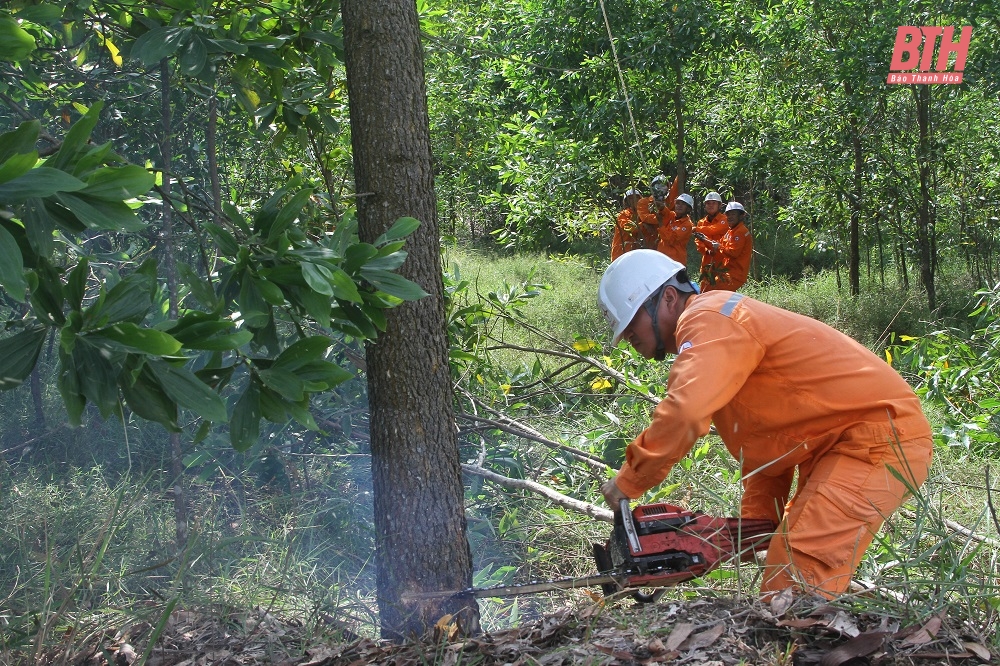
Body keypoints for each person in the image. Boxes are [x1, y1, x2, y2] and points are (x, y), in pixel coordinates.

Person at [596, 249, 933, 599]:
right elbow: (768, 448)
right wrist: (754, 525)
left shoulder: (709, 319)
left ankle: (799, 646)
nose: (629, 340)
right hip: (845, 444)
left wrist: (629, 481)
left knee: (796, 576)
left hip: (878, 440)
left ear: (667, 298)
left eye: (631, 325)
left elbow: (684, 411)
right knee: (784, 565)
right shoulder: (717, 339)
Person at [699, 201, 753, 292]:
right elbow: (719, 244)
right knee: (708, 290)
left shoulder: (740, 232)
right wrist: (705, 240)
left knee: (713, 293)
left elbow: (733, 253)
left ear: (741, 216)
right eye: (728, 214)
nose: (730, 217)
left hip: (735, 274)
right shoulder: (731, 231)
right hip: (726, 272)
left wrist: (717, 246)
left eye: (733, 214)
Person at [693, 192, 728, 291]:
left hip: (722, 260)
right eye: (708, 203)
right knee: (705, 290)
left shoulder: (725, 220)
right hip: (707, 260)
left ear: (720, 205)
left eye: (714, 203)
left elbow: (715, 229)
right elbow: (698, 241)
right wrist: (706, 251)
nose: (711, 205)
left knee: (721, 289)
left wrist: (697, 229)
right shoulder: (701, 222)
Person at [610, 188, 652, 260]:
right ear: (626, 202)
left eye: (636, 198)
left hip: (635, 255)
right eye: (630, 199)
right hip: (620, 254)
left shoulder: (643, 215)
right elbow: (629, 227)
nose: (634, 200)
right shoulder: (623, 214)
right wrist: (643, 225)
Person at [657, 192, 693, 265]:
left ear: (688, 208)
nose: (679, 206)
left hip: (675, 261)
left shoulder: (687, 224)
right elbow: (666, 213)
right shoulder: (672, 216)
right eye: (678, 203)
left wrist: (661, 224)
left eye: (683, 204)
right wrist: (661, 207)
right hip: (662, 258)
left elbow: (670, 240)